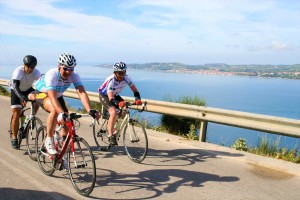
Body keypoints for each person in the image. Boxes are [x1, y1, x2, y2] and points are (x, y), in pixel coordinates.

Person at [34, 53, 99, 155]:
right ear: (59, 66)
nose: (68, 72)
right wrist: (61, 113)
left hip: (57, 96)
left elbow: (81, 92)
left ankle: (63, 142)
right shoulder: (52, 74)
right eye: (65, 69)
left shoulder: (74, 75)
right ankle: (49, 140)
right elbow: (51, 96)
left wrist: (89, 109)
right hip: (43, 93)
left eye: (71, 69)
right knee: (56, 111)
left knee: (67, 118)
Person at [98, 62, 142, 146]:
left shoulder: (127, 78)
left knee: (125, 110)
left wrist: (138, 99)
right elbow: (111, 98)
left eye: (123, 72)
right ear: (115, 73)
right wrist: (119, 103)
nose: (122, 75)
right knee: (113, 112)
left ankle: (114, 125)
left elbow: (135, 90)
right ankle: (111, 136)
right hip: (105, 95)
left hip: (115, 95)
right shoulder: (111, 80)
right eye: (120, 73)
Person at [10, 55, 41, 149]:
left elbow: (41, 83)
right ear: (24, 65)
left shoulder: (36, 72)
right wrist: (22, 98)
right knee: (17, 113)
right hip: (16, 91)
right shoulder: (18, 71)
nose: (30, 69)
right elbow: (15, 87)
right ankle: (14, 137)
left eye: (32, 67)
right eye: (28, 66)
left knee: (38, 99)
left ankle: (32, 116)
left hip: (28, 89)